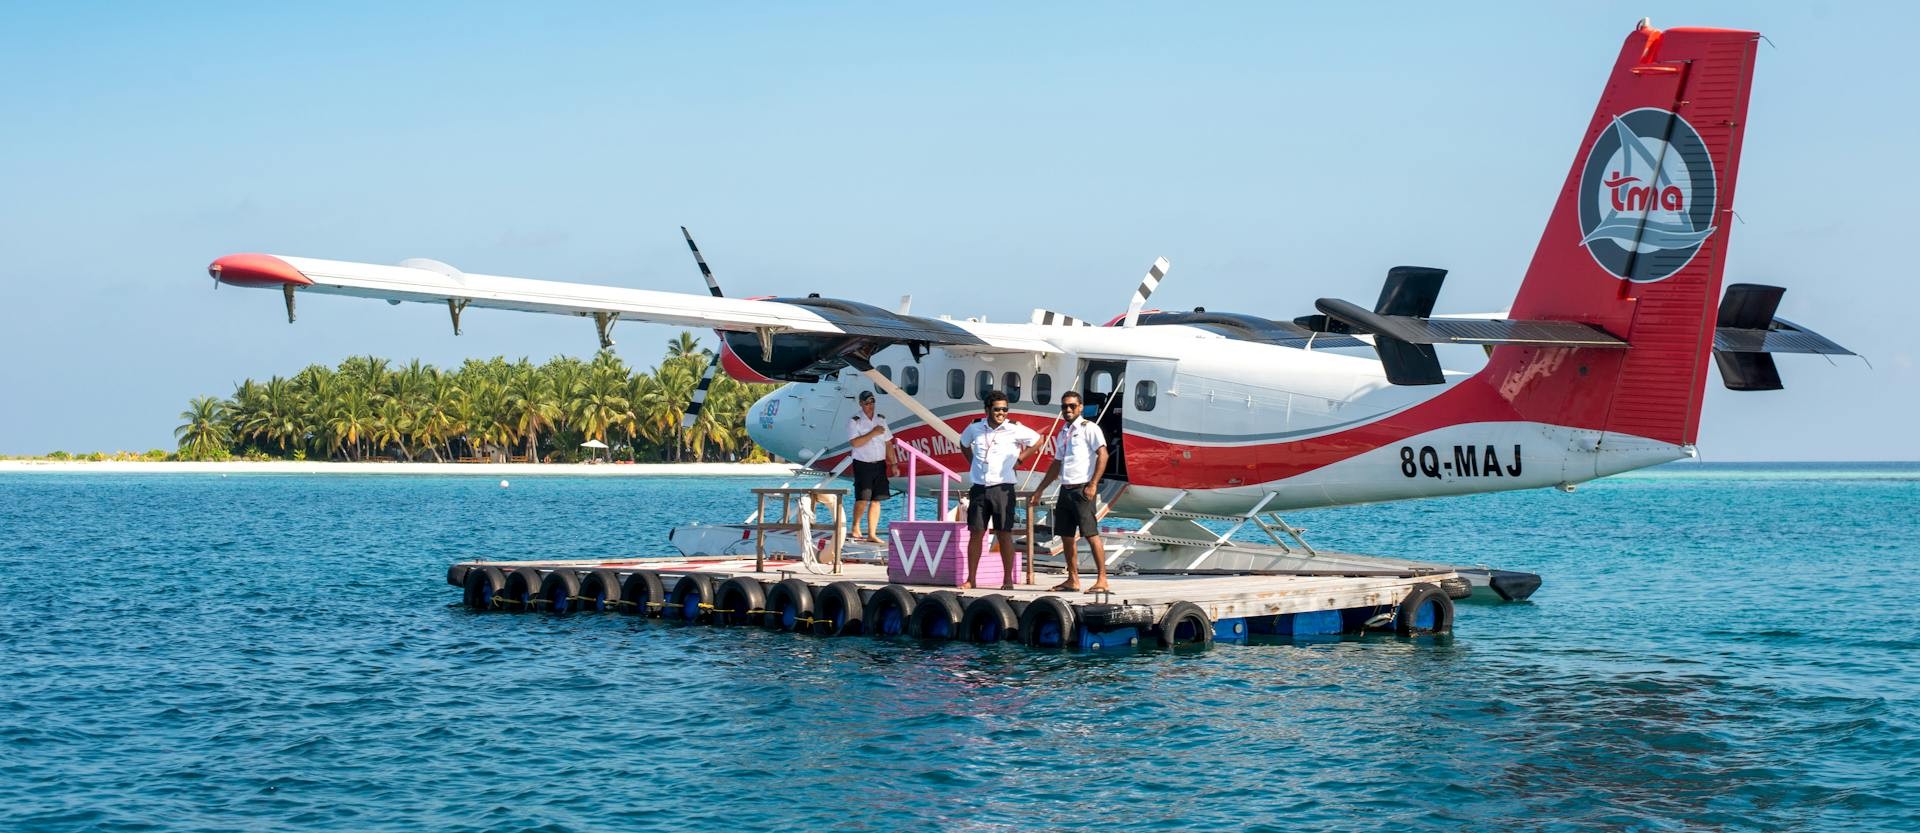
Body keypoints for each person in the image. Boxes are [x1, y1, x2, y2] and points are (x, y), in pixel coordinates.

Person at [957, 391, 1046, 590]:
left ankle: (1007, 580)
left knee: (1004, 533)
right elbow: (963, 444)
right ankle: (971, 578)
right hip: (979, 488)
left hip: (1003, 488)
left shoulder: (1014, 429)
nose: (1001, 413)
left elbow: (1039, 440)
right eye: (997, 409)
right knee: (976, 533)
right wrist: (972, 463)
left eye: (1005, 409)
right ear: (987, 409)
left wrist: (1022, 458)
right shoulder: (975, 428)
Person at [1031, 391, 1110, 593]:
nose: (1068, 409)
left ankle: (1102, 579)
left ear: (1080, 407)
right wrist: (1040, 489)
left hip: (1082, 488)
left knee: (1090, 534)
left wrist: (1093, 484)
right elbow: (1057, 464)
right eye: (1064, 406)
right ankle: (1072, 579)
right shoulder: (1063, 432)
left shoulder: (1089, 428)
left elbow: (1103, 455)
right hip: (1065, 490)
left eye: (1072, 406)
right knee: (1066, 536)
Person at [846, 390, 900, 544]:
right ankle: (855, 527)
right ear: (861, 404)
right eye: (867, 403)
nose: (870, 406)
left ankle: (872, 533)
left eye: (872, 402)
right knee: (863, 498)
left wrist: (894, 463)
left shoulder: (880, 420)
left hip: (879, 464)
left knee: (877, 499)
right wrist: (873, 432)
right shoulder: (855, 421)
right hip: (863, 464)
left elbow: (888, 443)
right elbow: (855, 443)